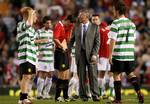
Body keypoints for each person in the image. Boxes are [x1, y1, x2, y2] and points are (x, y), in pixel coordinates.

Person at [108, 0, 144, 103]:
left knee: (116, 75)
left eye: (114, 10)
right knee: (131, 74)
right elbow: (133, 39)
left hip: (119, 54)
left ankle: (118, 99)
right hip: (129, 54)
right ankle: (139, 92)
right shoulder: (132, 24)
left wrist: (110, 55)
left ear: (118, 11)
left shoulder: (115, 23)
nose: (113, 12)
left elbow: (112, 40)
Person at [69, 9, 100, 102]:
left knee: (93, 75)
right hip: (80, 54)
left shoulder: (95, 27)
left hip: (91, 54)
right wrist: (69, 48)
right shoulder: (76, 26)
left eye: (81, 16)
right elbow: (72, 40)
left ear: (86, 17)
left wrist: (94, 54)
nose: (79, 17)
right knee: (81, 75)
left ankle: (95, 95)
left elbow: (97, 43)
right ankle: (83, 95)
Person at [91, 14, 114, 99]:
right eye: (93, 20)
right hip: (106, 55)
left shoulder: (101, 28)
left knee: (108, 74)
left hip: (107, 55)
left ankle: (107, 93)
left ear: (99, 20)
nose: (95, 21)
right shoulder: (105, 28)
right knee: (106, 74)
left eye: (96, 19)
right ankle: (105, 93)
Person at [36, 16, 54, 99]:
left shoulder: (51, 32)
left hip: (50, 57)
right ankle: (39, 94)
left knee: (50, 75)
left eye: (50, 23)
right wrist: (37, 53)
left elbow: (52, 43)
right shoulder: (39, 32)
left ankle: (46, 93)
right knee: (42, 74)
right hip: (42, 57)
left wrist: (53, 47)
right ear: (44, 24)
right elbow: (34, 41)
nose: (49, 24)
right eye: (47, 23)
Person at [53, 16, 70, 102]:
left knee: (66, 73)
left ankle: (66, 96)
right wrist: (61, 47)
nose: (69, 25)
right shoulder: (59, 26)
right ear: (65, 20)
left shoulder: (63, 26)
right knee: (62, 73)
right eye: (69, 22)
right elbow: (55, 38)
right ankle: (57, 96)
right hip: (60, 52)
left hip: (64, 52)